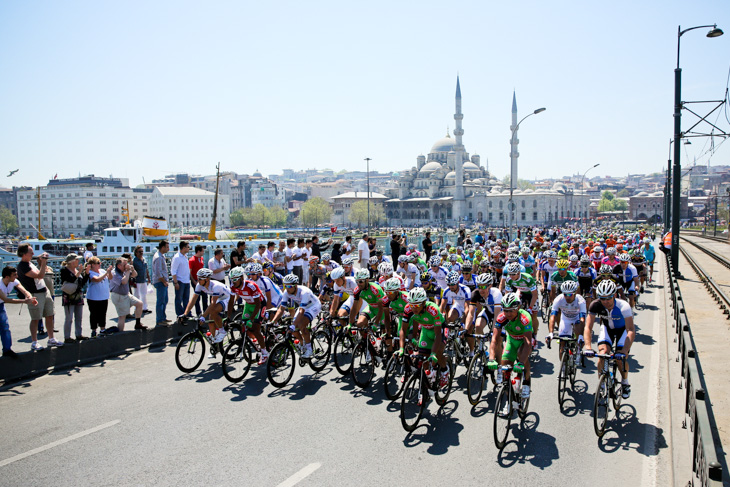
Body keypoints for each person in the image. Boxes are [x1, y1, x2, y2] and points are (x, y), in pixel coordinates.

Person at [583, 280, 635, 399]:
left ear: (615, 295)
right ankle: (602, 383)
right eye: (602, 298)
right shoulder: (595, 305)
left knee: (620, 359)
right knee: (602, 354)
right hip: (607, 329)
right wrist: (588, 347)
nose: (605, 301)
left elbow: (631, 330)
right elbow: (588, 327)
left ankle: (625, 382)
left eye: (609, 298)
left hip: (623, 331)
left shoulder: (624, 306)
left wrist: (624, 350)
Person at [16, 243, 62, 349]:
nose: (33, 253)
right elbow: (40, 275)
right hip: (35, 294)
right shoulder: (23, 266)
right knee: (36, 318)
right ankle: (34, 342)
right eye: (30, 252)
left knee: (50, 315)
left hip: (44, 291)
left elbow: (41, 273)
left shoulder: (30, 263)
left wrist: (41, 262)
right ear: (23, 254)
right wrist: (44, 262)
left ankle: (51, 339)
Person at [488, 292, 534, 399]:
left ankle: (526, 382)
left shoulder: (525, 318)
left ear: (518, 307)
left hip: (524, 341)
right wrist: (491, 359)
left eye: (511, 310)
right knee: (505, 370)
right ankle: (509, 401)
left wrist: (521, 362)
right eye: (506, 310)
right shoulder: (501, 318)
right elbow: (494, 339)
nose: (508, 314)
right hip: (512, 340)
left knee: (523, 357)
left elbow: (528, 342)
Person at [406, 287, 450, 388]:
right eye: (411, 305)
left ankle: (444, 371)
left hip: (439, 330)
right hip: (426, 330)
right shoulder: (411, 309)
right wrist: (413, 337)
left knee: (437, 353)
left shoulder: (433, 309)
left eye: (417, 305)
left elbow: (438, 335)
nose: (414, 308)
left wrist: (433, 353)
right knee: (422, 357)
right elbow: (415, 320)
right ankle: (429, 377)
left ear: (424, 303)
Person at [270, 274, 322, 359]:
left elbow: (301, 311)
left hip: (313, 306)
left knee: (301, 325)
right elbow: (281, 309)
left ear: (295, 285)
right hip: (303, 306)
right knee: (292, 330)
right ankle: (302, 343)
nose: (287, 288)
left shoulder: (304, 292)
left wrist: (294, 325)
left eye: (289, 286)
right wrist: (273, 321)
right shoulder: (286, 292)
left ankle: (309, 350)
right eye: (285, 285)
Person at [180, 268, 231, 346]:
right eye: (198, 278)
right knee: (210, 321)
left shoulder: (215, 286)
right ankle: (215, 344)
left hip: (228, 298)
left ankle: (222, 331)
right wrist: (185, 313)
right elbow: (193, 300)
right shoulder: (199, 285)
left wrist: (203, 316)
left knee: (213, 312)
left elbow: (213, 303)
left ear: (207, 279)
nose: (198, 280)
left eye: (200, 279)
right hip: (219, 298)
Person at [0, 266, 37, 358]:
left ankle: (7, 350)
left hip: (0, 306)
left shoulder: (14, 281)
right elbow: (6, 299)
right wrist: (24, 301)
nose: (16, 276)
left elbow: (24, 291)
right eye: (14, 275)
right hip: (2, 303)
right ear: (7, 277)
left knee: (5, 327)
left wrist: (29, 297)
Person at [109, 257, 146, 332]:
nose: (127, 265)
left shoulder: (124, 271)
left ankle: (138, 324)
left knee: (139, 304)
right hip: (118, 296)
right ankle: (120, 333)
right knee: (122, 316)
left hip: (126, 294)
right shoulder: (114, 273)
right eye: (125, 264)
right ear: (119, 266)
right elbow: (124, 281)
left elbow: (135, 275)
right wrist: (128, 271)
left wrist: (132, 269)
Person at [60, 254, 89, 343]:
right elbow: (70, 279)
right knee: (69, 318)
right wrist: (79, 272)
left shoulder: (76, 270)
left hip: (78, 295)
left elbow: (82, 283)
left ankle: (78, 334)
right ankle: (67, 337)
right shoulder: (64, 270)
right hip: (69, 296)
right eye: (77, 260)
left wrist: (86, 274)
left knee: (79, 316)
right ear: (72, 261)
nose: (78, 262)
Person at [85, 256, 113, 338]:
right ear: (93, 265)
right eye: (98, 263)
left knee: (102, 314)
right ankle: (94, 330)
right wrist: (106, 273)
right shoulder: (90, 272)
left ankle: (102, 329)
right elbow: (96, 279)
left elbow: (110, 277)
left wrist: (109, 272)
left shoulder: (102, 271)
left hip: (104, 297)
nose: (100, 264)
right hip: (93, 297)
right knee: (94, 314)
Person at [170, 241, 191, 317]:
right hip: (180, 281)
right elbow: (173, 271)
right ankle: (180, 314)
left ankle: (187, 313)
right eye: (188, 247)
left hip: (186, 281)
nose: (189, 249)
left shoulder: (185, 256)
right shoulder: (177, 257)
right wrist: (175, 282)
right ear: (183, 248)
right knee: (179, 299)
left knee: (186, 299)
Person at [188, 245, 208, 316]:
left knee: (205, 296)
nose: (203, 252)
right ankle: (198, 312)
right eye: (202, 251)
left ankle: (206, 311)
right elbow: (189, 272)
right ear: (198, 251)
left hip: (202, 280)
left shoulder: (201, 258)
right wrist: (194, 281)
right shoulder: (192, 260)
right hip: (196, 280)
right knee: (197, 297)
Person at [132, 246, 151, 315]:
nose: (141, 253)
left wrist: (148, 278)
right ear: (136, 253)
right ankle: (136, 308)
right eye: (140, 252)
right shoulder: (134, 261)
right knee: (137, 295)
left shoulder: (144, 259)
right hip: (137, 280)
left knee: (144, 294)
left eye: (142, 251)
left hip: (143, 279)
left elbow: (146, 269)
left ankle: (145, 308)